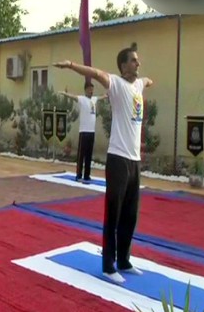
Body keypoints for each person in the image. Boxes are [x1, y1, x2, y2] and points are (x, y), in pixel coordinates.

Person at [53, 48, 154, 284]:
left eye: (138, 60)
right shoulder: (116, 84)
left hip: (134, 161)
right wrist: (70, 64)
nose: (138, 64)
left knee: (130, 214)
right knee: (114, 214)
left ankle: (124, 260)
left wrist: (149, 81)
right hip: (118, 159)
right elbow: (96, 73)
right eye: (133, 61)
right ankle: (109, 265)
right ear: (123, 65)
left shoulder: (138, 85)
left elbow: (147, 81)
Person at [59, 84, 107, 182]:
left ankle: (87, 175)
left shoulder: (94, 99)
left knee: (89, 155)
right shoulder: (82, 99)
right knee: (81, 155)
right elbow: (74, 97)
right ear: (85, 90)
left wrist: (107, 95)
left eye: (92, 90)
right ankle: (79, 174)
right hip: (84, 131)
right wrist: (65, 94)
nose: (91, 91)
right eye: (89, 90)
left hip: (91, 132)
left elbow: (101, 97)